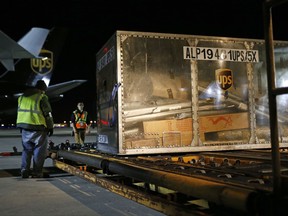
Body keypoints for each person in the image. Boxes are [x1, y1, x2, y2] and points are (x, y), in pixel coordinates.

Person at [16, 80, 54, 178]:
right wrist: (50, 127)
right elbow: (48, 114)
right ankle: (37, 172)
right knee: (39, 151)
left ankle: (24, 170)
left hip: (24, 127)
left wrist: (21, 125)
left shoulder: (21, 97)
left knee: (26, 150)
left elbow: (20, 112)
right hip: (38, 128)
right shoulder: (42, 97)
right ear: (42, 89)